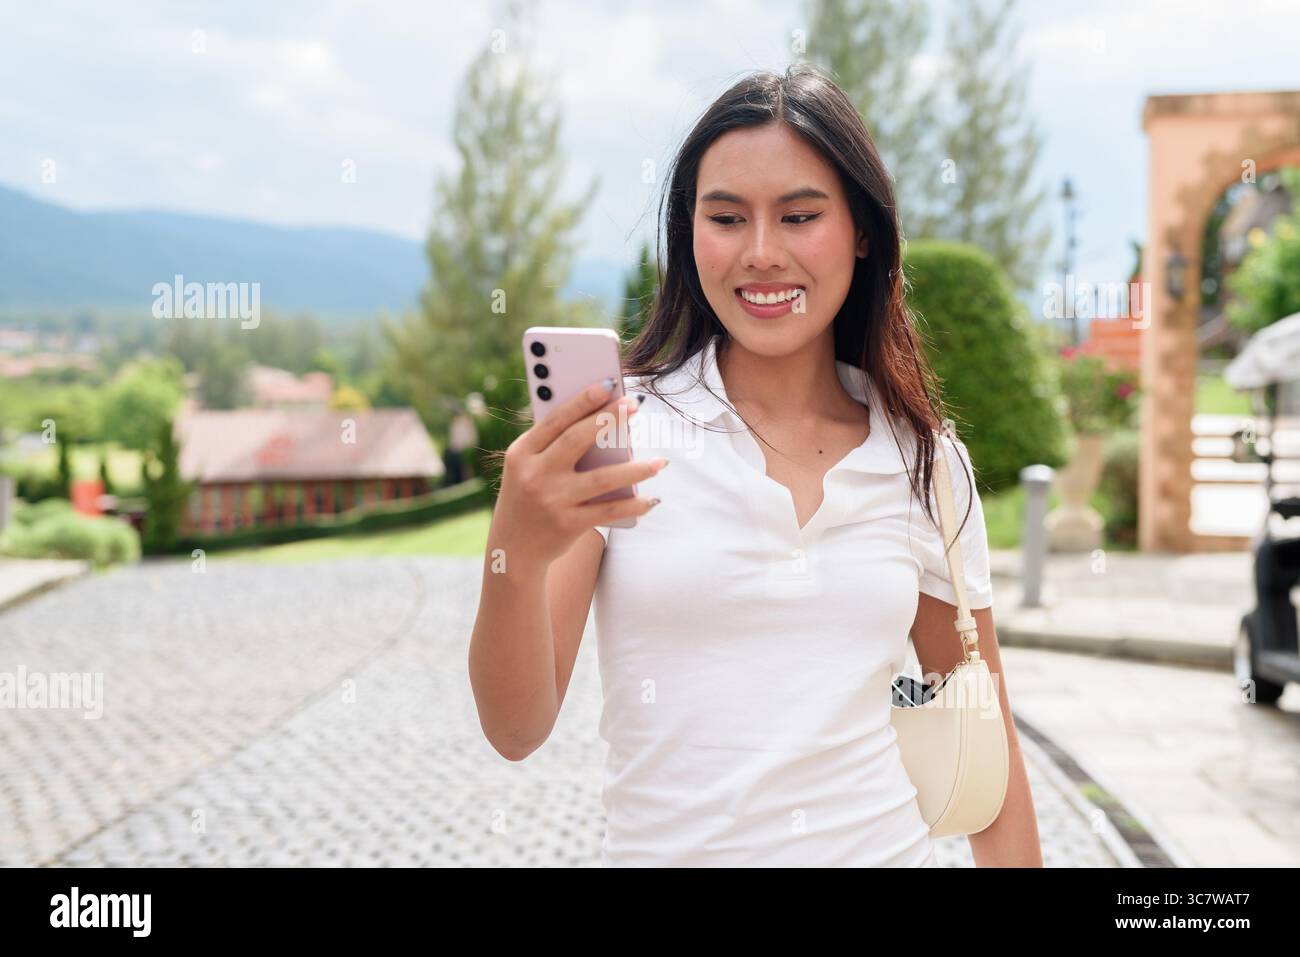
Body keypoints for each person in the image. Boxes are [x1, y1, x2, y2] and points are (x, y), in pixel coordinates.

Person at [468, 63, 1042, 867]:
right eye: (727, 217)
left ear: (863, 231)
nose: (762, 253)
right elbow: (517, 726)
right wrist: (514, 556)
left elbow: (992, 757)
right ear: (689, 232)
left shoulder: (924, 460)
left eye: (800, 215)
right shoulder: (623, 433)